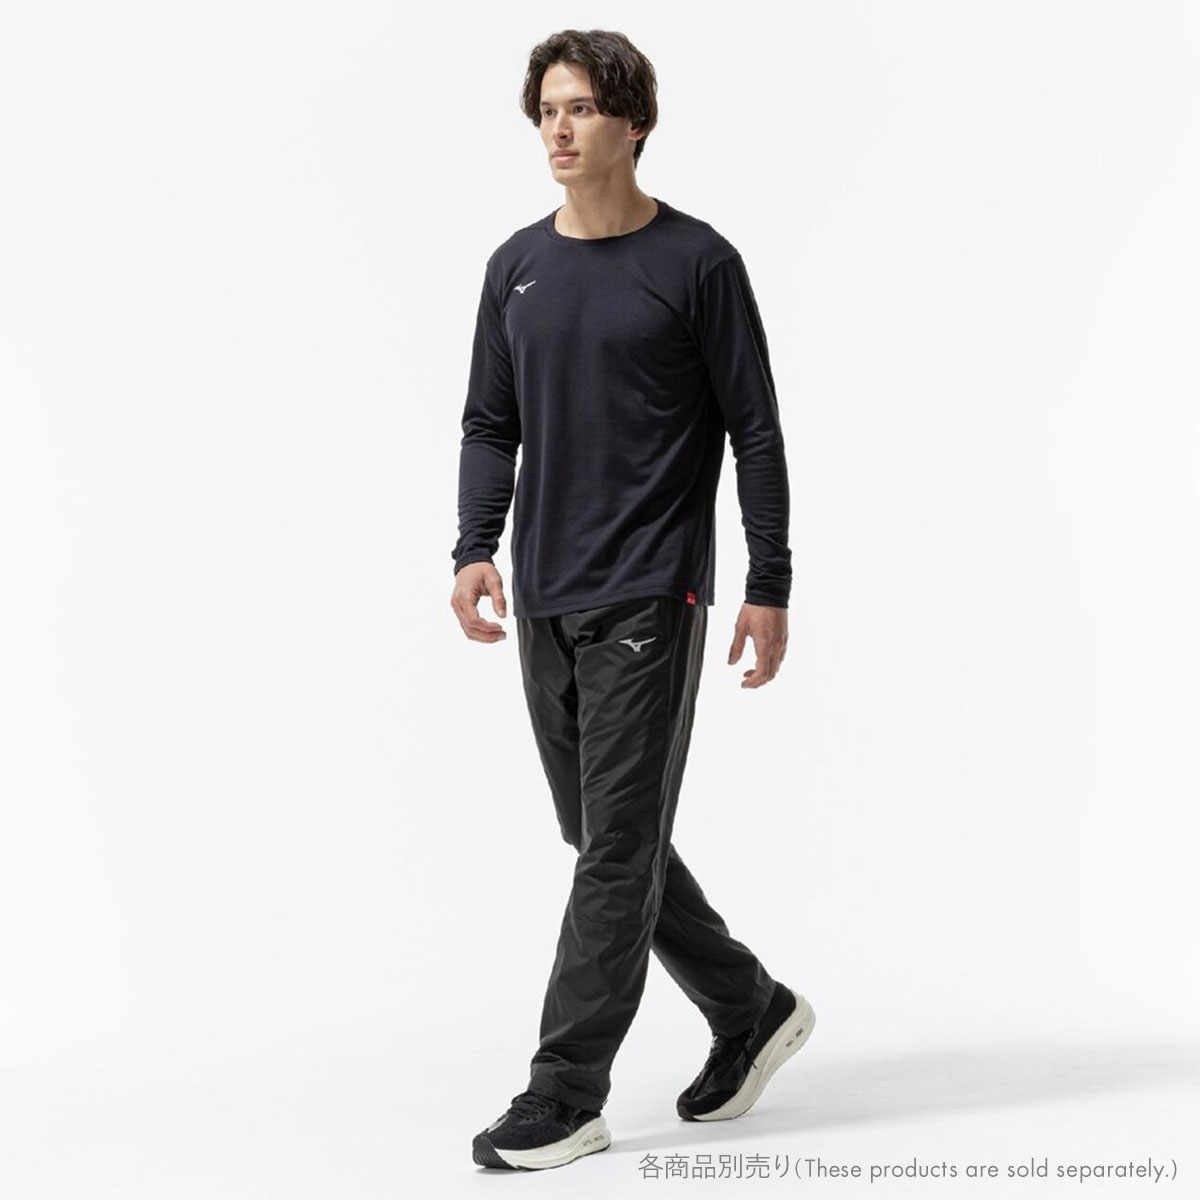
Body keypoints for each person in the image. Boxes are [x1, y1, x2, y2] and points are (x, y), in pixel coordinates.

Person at [450, 28, 816, 1172]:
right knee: (603, 833)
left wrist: (768, 582)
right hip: (546, 595)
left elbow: (756, 431)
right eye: (547, 110)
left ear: (634, 124)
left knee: (614, 849)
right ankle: (750, 1006)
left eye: (580, 109)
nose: (558, 129)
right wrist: (472, 548)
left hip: (654, 592)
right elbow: (490, 424)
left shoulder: (697, 263)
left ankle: (565, 1093)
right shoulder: (514, 266)